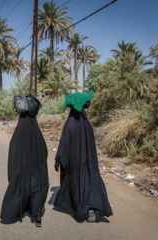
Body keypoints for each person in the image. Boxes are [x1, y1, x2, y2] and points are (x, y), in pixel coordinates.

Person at [53, 91, 113, 223]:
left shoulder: (70, 123)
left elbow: (64, 143)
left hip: (74, 163)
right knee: (90, 182)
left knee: (75, 183)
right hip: (88, 163)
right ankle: (91, 207)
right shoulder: (86, 123)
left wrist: (59, 159)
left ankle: (80, 207)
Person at [0, 96, 48, 227]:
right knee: (37, 185)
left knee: (22, 183)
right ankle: (37, 214)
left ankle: (13, 211)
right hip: (36, 169)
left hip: (22, 169)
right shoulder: (36, 131)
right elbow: (44, 152)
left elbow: (13, 154)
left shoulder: (19, 131)